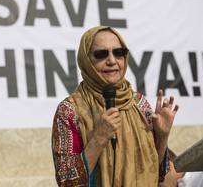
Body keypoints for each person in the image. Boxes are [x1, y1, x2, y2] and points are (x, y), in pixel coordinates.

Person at [51, 26, 179, 186]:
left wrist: (162, 136)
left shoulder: (139, 104)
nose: (112, 61)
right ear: (86, 61)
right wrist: (99, 138)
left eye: (118, 53)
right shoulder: (70, 111)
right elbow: (67, 180)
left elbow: (157, 172)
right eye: (101, 54)